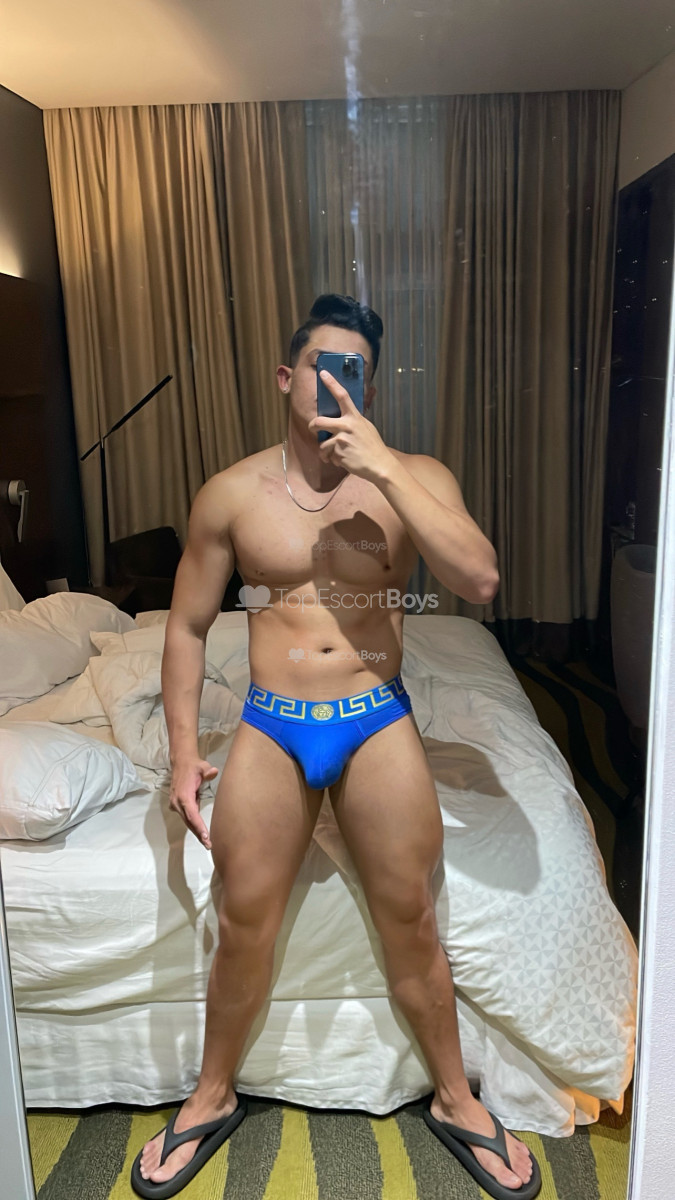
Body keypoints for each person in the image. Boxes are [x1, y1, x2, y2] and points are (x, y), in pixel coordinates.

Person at [131, 294, 542, 1200]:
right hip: (272, 721)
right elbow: (187, 626)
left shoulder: (411, 476)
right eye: (321, 366)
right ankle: (210, 1093)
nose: (334, 384)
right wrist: (181, 751)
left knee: (411, 916)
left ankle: (455, 1099)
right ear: (287, 377)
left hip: (375, 714)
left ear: (371, 386)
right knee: (243, 916)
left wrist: (383, 466)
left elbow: (478, 577)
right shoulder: (231, 492)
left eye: (353, 370)